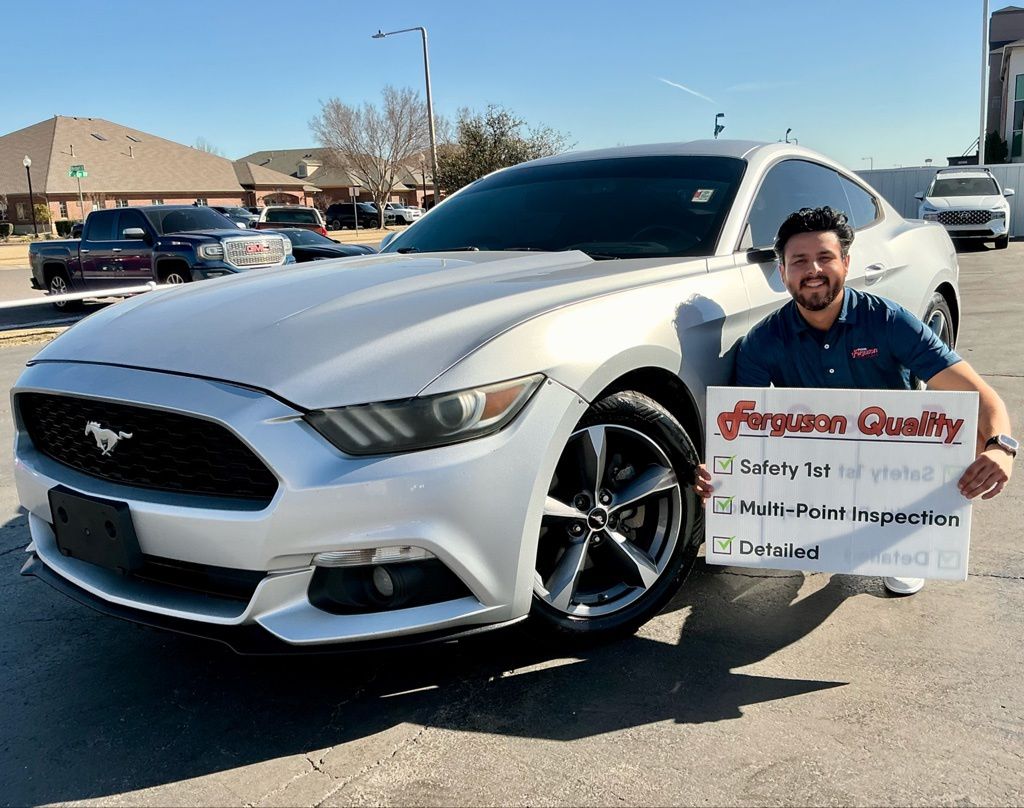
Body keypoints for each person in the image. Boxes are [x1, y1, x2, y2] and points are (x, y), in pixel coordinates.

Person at [694, 206, 1015, 595]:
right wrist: (720, 475)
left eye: (825, 257)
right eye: (799, 260)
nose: (813, 269)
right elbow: (741, 433)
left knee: (957, 436)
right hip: (817, 467)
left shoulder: (888, 321)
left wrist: (1001, 448)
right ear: (782, 273)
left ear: (846, 263)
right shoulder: (762, 342)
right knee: (771, 545)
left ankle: (902, 545)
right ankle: (820, 533)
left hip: (895, 463)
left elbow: (977, 395)